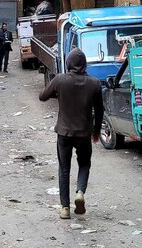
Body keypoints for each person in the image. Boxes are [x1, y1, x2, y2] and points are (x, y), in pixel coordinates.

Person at [39, 48, 103, 220]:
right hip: (84, 133)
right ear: (84, 64)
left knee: (64, 169)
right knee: (84, 164)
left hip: (64, 133)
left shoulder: (60, 80)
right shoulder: (94, 83)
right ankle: (80, 192)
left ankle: (65, 208)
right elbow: (99, 110)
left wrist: (58, 93)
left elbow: (42, 96)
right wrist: (96, 132)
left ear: (68, 63)